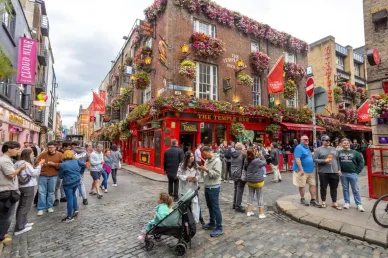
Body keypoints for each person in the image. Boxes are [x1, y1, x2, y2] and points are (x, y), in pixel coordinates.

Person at [0, 142, 26, 244]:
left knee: (5, 214)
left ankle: (2, 233)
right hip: (6, 192)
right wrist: (20, 168)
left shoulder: (7, 160)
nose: (18, 151)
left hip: (8, 190)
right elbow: (11, 175)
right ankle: (1, 236)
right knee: (6, 215)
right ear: (9, 149)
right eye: (16, 149)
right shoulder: (4, 161)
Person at [14, 149, 44, 235]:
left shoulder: (17, 163)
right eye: (32, 154)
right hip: (28, 186)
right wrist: (40, 165)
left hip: (21, 186)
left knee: (21, 205)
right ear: (27, 155)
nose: (33, 155)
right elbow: (34, 173)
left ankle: (23, 222)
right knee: (25, 206)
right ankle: (19, 227)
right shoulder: (26, 164)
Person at [198, 146, 223, 237]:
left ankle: (219, 228)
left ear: (209, 152)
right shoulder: (207, 160)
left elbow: (217, 175)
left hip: (214, 187)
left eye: (205, 154)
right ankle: (212, 223)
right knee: (210, 206)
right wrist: (202, 170)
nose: (204, 157)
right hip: (208, 186)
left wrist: (207, 170)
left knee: (215, 207)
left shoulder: (217, 161)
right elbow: (205, 173)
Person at [313, 135, 342, 210]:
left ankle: (334, 202)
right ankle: (323, 201)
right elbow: (315, 159)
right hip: (323, 171)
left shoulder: (334, 149)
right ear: (322, 141)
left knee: (334, 187)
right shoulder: (318, 150)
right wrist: (323, 161)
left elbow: (337, 160)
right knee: (323, 187)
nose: (328, 141)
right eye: (326, 140)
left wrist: (339, 169)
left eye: (329, 140)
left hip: (334, 171)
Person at [59, 150, 87, 222]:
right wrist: (80, 172)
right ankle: (76, 209)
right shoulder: (76, 161)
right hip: (77, 180)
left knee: (69, 199)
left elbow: (60, 176)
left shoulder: (62, 165)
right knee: (73, 195)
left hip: (68, 183)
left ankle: (69, 216)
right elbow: (84, 165)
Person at [177, 151, 204, 225]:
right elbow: (178, 175)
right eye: (190, 156)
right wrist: (186, 178)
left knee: (196, 204)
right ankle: (186, 220)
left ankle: (199, 218)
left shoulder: (196, 165)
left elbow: (199, 175)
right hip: (184, 189)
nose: (192, 157)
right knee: (185, 206)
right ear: (187, 158)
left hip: (193, 188)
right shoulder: (182, 165)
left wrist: (196, 178)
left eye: (193, 156)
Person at [35, 141, 62, 216]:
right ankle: (40, 208)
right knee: (41, 192)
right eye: (49, 147)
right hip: (43, 175)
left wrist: (54, 164)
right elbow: (36, 163)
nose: (50, 149)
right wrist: (41, 163)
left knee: (51, 192)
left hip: (53, 175)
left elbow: (62, 165)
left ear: (55, 147)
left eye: (52, 147)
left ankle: (49, 206)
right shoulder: (43, 154)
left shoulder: (60, 155)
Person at [338, 138, 365, 212]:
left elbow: (361, 163)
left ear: (349, 143)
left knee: (355, 189)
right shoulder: (339, 152)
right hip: (343, 174)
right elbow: (336, 162)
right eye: (344, 143)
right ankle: (347, 202)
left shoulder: (355, 152)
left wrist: (357, 172)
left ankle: (359, 204)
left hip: (353, 174)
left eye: (347, 143)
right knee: (345, 189)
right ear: (341, 144)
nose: (346, 144)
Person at [292, 135, 318, 206]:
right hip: (302, 171)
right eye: (305, 139)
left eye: (307, 139)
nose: (306, 140)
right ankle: (302, 199)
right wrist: (301, 169)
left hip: (310, 170)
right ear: (301, 140)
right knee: (302, 185)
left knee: (313, 184)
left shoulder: (307, 147)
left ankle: (312, 200)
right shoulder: (299, 148)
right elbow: (297, 159)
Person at [245, 148, 267, 218]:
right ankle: (261, 213)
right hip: (258, 181)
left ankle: (249, 211)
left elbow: (245, 169)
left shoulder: (246, 160)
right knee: (260, 196)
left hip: (249, 181)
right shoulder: (257, 161)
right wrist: (261, 156)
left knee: (250, 195)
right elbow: (264, 163)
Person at [231, 143, 246, 213]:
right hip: (240, 174)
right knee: (240, 190)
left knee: (235, 189)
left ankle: (234, 204)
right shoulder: (242, 154)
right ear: (241, 148)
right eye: (243, 147)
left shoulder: (232, 154)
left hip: (233, 173)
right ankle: (238, 206)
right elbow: (245, 164)